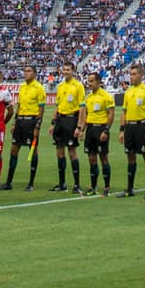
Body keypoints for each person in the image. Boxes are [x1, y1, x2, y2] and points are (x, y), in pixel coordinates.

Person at [3, 65, 46, 191]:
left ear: (34, 74)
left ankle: (31, 183)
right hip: (20, 121)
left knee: (32, 151)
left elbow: (41, 108)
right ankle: (8, 182)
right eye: (25, 71)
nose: (26, 73)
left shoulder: (39, 88)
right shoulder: (22, 87)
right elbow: (19, 106)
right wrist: (14, 122)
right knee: (14, 150)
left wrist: (38, 126)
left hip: (31, 122)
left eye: (29, 71)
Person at [116, 63, 145, 198]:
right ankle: (129, 189)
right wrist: (122, 130)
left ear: (141, 75)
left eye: (134, 74)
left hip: (142, 126)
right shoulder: (128, 92)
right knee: (130, 156)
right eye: (130, 74)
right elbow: (123, 112)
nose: (131, 77)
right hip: (130, 127)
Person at [49, 62, 85, 193]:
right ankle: (62, 184)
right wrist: (53, 123)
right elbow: (57, 106)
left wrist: (79, 127)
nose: (65, 72)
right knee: (59, 151)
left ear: (73, 71)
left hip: (72, 120)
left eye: (68, 70)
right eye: (64, 69)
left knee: (72, 152)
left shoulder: (78, 86)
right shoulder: (61, 86)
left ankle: (76, 185)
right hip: (60, 120)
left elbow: (82, 108)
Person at [80, 70, 116, 196]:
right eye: (88, 81)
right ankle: (93, 187)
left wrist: (106, 130)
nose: (89, 83)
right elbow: (87, 115)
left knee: (103, 158)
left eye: (92, 81)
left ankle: (107, 187)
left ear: (99, 82)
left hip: (101, 129)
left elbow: (111, 114)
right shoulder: (88, 97)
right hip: (90, 129)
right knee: (91, 158)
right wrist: (82, 130)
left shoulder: (106, 96)